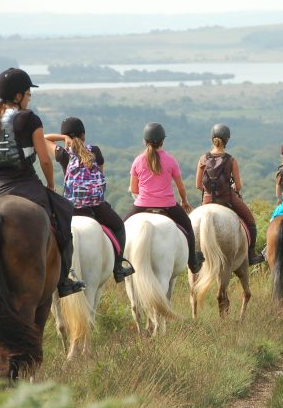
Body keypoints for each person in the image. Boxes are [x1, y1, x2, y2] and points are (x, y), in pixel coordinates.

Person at [0, 68, 85, 297]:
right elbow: (45, 160)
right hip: (24, 181)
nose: (29, 99)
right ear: (18, 96)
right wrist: (50, 185)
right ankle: (64, 279)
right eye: (28, 94)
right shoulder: (30, 118)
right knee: (63, 217)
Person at [45, 117, 135, 283]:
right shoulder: (95, 150)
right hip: (95, 205)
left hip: (71, 207)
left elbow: (43, 138)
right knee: (118, 226)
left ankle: (58, 271)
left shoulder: (61, 152)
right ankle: (118, 266)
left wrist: (63, 138)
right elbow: (101, 176)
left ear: (66, 136)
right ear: (84, 134)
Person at [125, 122, 203, 274]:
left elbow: (134, 188)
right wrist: (184, 201)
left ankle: (118, 263)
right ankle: (193, 261)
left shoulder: (138, 160)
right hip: (167, 205)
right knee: (187, 227)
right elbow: (180, 187)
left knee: (120, 229)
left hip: (142, 204)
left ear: (144, 141)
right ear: (163, 141)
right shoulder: (171, 160)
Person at [195, 124, 264, 265]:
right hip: (228, 199)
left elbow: (197, 185)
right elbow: (238, 186)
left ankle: (193, 257)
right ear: (227, 140)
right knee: (251, 222)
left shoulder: (203, 159)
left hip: (207, 200)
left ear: (212, 138)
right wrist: (233, 187)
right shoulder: (231, 160)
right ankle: (251, 255)